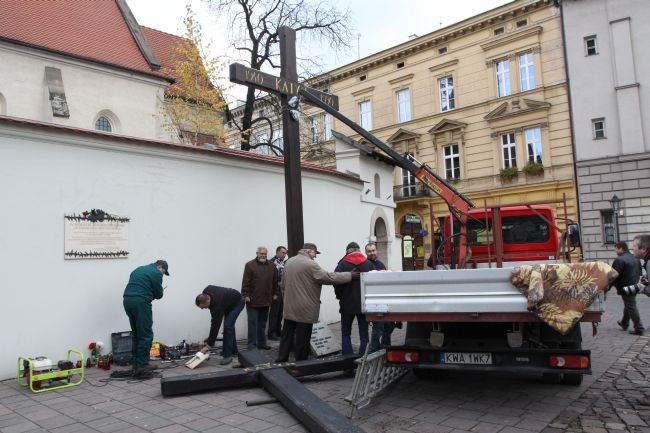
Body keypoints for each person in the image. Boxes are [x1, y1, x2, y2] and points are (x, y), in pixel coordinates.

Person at [275, 243, 358, 362]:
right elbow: (328, 277)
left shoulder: (289, 262)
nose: (315, 256)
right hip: (305, 307)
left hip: (289, 306)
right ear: (309, 251)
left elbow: (282, 284)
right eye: (315, 253)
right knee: (302, 338)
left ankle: (281, 359)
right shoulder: (310, 264)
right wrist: (349, 275)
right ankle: (301, 364)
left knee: (286, 335)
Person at [122, 260, 168, 376]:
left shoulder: (138, 269)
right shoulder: (156, 273)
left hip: (127, 301)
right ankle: (143, 365)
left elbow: (139, 286)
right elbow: (158, 294)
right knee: (146, 334)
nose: (163, 274)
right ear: (160, 267)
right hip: (141, 302)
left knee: (137, 333)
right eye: (163, 271)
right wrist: (160, 290)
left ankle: (136, 364)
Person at [334, 242, 374, 355]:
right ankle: (363, 358)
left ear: (347, 251)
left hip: (347, 303)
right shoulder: (368, 264)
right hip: (363, 304)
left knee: (346, 333)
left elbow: (336, 282)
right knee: (364, 333)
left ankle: (347, 360)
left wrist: (339, 296)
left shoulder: (342, 265)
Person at [195, 285, 245, 365]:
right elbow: (214, 322)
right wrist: (210, 342)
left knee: (228, 326)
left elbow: (215, 325)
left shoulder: (217, 305)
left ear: (208, 301)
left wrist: (209, 345)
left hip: (238, 302)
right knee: (230, 326)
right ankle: (234, 351)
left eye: (204, 307)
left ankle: (227, 356)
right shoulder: (206, 291)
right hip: (228, 303)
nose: (203, 309)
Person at [241, 246, 278, 350]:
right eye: (261, 253)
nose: (263, 255)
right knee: (252, 324)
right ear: (257, 254)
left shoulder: (272, 265)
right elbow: (245, 282)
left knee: (262, 323)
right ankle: (252, 344)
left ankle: (262, 343)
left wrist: (275, 293)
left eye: (265, 254)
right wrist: (245, 295)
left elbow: (275, 281)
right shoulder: (249, 265)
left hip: (266, 300)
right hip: (252, 300)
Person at [365, 243, 396, 352]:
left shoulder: (380, 264)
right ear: (366, 253)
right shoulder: (366, 265)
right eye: (369, 251)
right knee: (378, 328)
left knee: (389, 326)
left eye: (373, 250)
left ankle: (385, 348)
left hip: (384, 301)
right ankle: (374, 350)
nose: (372, 253)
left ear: (377, 251)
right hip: (373, 303)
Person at [610, 241, 643, 335]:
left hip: (625, 287)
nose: (615, 251)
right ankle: (624, 323)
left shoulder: (619, 260)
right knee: (628, 304)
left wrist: (607, 287)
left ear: (620, 248)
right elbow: (640, 272)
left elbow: (613, 276)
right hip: (635, 285)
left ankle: (639, 328)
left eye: (616, 249)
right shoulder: (635, 258)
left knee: (631, 306)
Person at [267, 246, 288, 340]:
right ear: (278, 252)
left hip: (283, 290)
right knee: (274, 312)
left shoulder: (283, 262)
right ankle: (272, 332)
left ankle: (278, 330)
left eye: (285, 253)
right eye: (283, 252)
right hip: (275, 290)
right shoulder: (272, 262)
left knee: (280, 312)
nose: (285, 254)